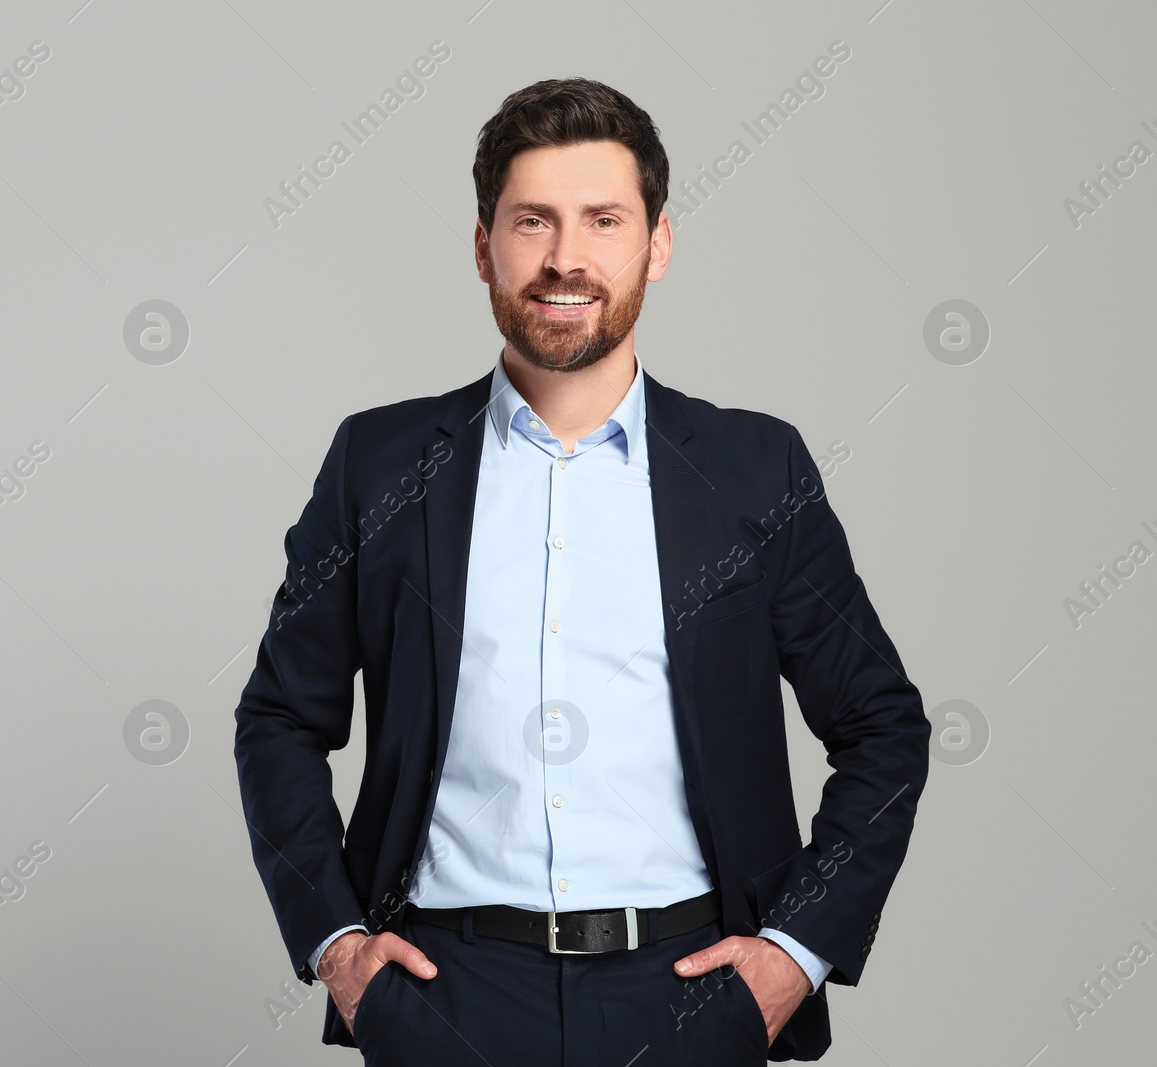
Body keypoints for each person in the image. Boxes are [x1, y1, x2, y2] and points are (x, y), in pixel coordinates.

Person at [233, 77, 929, 1065]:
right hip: (443, 1000)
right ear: (483, 247)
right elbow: (278, 717)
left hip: (690, 998)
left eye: (603, 219)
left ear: (657, 244)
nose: (565, 257)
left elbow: (881, 725)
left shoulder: (752, 469)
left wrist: (792, 954)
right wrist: (340, 949)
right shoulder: (379, 466)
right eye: (531, 221)